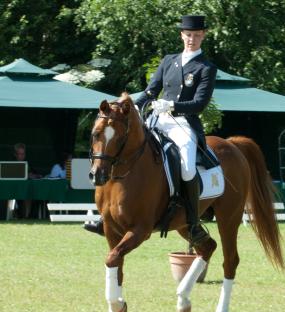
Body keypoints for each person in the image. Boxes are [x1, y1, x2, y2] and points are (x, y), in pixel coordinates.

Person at [85, 15, 217, 246]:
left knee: (186, 168)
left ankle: (194, 223)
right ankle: (105, 215)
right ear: (182, 35)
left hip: (184, 125)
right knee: (120, 151)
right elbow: (150, 91)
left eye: (196, 36)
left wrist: (173, 105)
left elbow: (200, 103)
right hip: (157, 120)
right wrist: (127, 104)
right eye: (188, 35)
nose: (192, 39)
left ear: (203, 36)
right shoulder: (169, 61)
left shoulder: (206, 67)